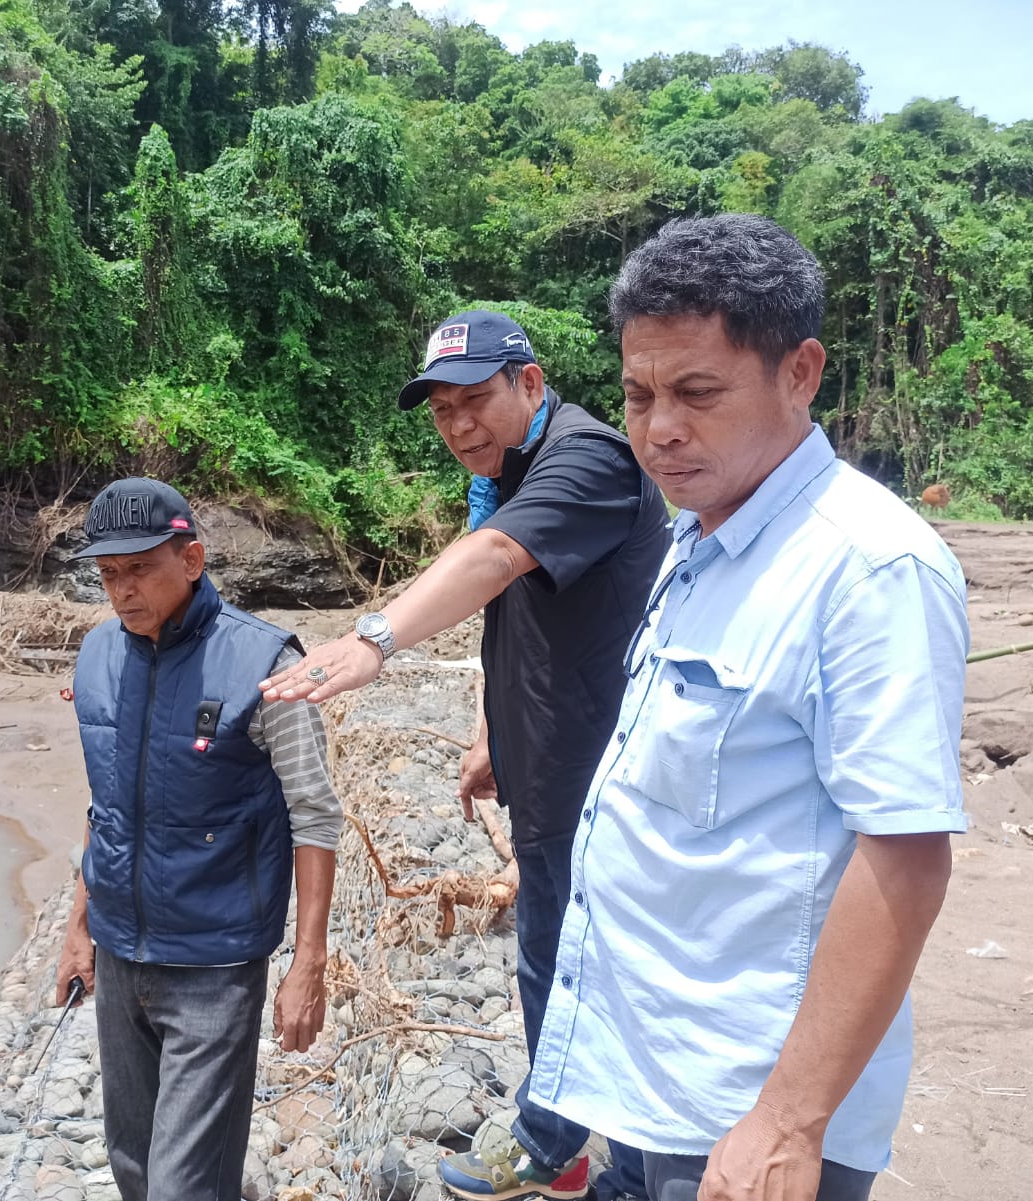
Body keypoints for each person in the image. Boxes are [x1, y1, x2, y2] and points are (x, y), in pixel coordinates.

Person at [526, 214, 968, 1201]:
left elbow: (905, 857)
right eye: (637, 394)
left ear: (800, 373)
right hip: (647, 1088)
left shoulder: (867, 568)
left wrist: (786, 1119)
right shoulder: (701, 534)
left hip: (743, 1123)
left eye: (696, 392)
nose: (658, 428)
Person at [261, 310, 671, 1200]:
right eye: (442, 410)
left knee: (598, 964)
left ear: (530, 382)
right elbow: (513, 614)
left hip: (606, 776)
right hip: (547, 760)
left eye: (474, 401)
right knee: (548, 948)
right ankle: (561, 1149)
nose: (457, 427)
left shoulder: (588, 458)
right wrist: (492, 735)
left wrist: (376, 637)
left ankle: (607, 1164)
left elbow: (493, 559)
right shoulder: (511, 471)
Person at [52, 477, 341, 1201]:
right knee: (134, 1164)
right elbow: (107, 805)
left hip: (216, 960)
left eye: (140, 567)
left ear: (192, 558)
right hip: (121, 954)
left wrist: (309, 963)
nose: (122, 590)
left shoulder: (266, 665)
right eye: (108, 573)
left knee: (183, 1186)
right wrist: (78, 926)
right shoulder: (97, 658)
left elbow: (314, 814)